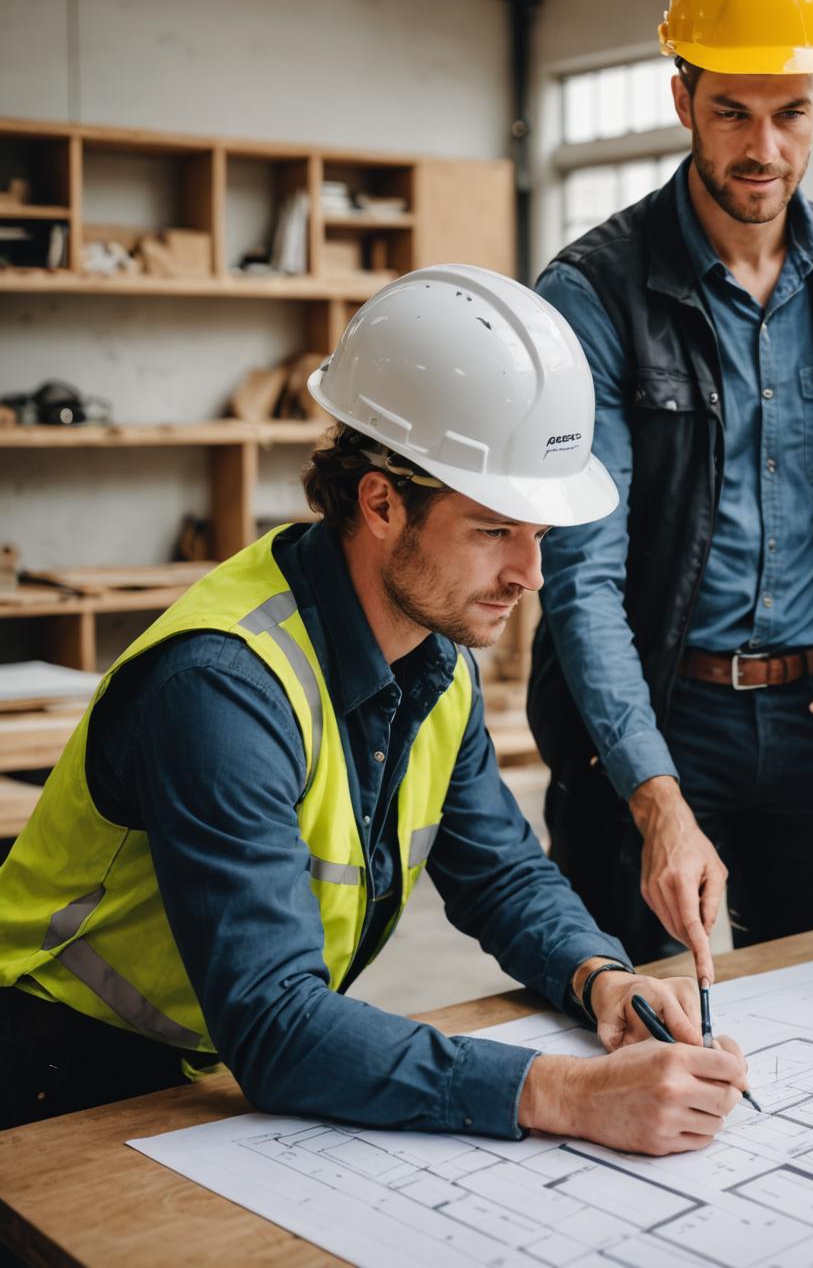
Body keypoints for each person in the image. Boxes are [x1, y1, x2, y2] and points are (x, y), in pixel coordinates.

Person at [0, 265, 748, 1152]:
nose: (529, 575)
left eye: (539, 535)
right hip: (50, 1078)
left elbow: (500, 872)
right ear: (382, 502)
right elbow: (276, 1024)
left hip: (203, 1070)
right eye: (493, 529)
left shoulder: (434, 655)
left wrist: (601, 980)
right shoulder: (223, 687)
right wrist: (571, 1094)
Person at [532, 0, 813, 983]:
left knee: (805, 1009)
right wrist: (649, 792)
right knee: (643, 1023)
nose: (764, 148)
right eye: (732, 113)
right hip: (657, 713)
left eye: (792, 114)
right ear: (682, 99)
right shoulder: (593, 291)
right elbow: (583, 576)